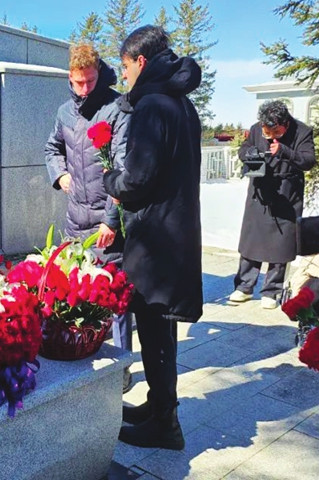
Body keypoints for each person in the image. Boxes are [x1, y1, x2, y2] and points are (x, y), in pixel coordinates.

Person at [102, 25, 204, 450]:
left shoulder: (152, 107)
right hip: (175, 234)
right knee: (161, 331)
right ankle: (160, 405)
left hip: (156, 242)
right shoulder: (182, 104)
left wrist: (110, 177)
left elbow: (138, 179)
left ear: (140, 62)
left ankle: (166, 426)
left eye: (124, 67)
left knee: (155, 329)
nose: (124, 77)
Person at [44, 43, 134, 391]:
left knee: (115, 297)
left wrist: (112, 219)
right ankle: (87, 354)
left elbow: (123, 168)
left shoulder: (116, 109)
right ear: (70, 77)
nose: (84, 89)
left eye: (91, 82)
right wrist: (59, 173)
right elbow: (52, 147)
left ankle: (122, 367)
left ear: (99, 74)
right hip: (75, 219)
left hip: (105, 220)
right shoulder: (65, 112)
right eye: (78, 83)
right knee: (79, 292)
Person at [229, 100, 316, 309]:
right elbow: (245, 148)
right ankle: (244, 286)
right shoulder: (256, 129)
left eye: (275, 131)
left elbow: (308, 161)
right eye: (266, 130)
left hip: (287, 193)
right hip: (260, 190)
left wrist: (284, 151)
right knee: (252, 240)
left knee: (281, 244)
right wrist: (249, 155)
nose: (269, 135)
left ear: (285, 123)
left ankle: (271, 290)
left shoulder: (302, 131)